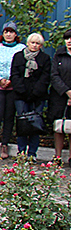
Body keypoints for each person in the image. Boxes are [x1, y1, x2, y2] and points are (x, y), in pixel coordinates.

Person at [0, 21, 25, 160]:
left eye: (11, 32)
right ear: (3, 34)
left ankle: (5, 144)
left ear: (16, 34)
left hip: (13, 87)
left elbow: (22, 67)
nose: (8, 34)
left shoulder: (21, 48)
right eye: (6, 32)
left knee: (9, 117)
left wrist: (12, 80)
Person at [10, 32, 51, 161]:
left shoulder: (45, 59)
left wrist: (35, 92)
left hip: (37, 96)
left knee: (35, 125)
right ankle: (21, 152)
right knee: (22, 124)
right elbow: (14, 75)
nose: (34, 45)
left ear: (41, 46)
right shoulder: (18, 57)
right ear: (27, 43)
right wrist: (22, 90)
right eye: (32, 42)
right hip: (20, 95)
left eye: (37, 43)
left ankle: (32, 153)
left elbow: (45, 78)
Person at [50, 29, 71, 165]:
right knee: (59, 126)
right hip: (59, 96)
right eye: (67, 39)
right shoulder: (59, 54)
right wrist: (67, 92)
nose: (69, 41)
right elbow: (54, 75)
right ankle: (57, 157)